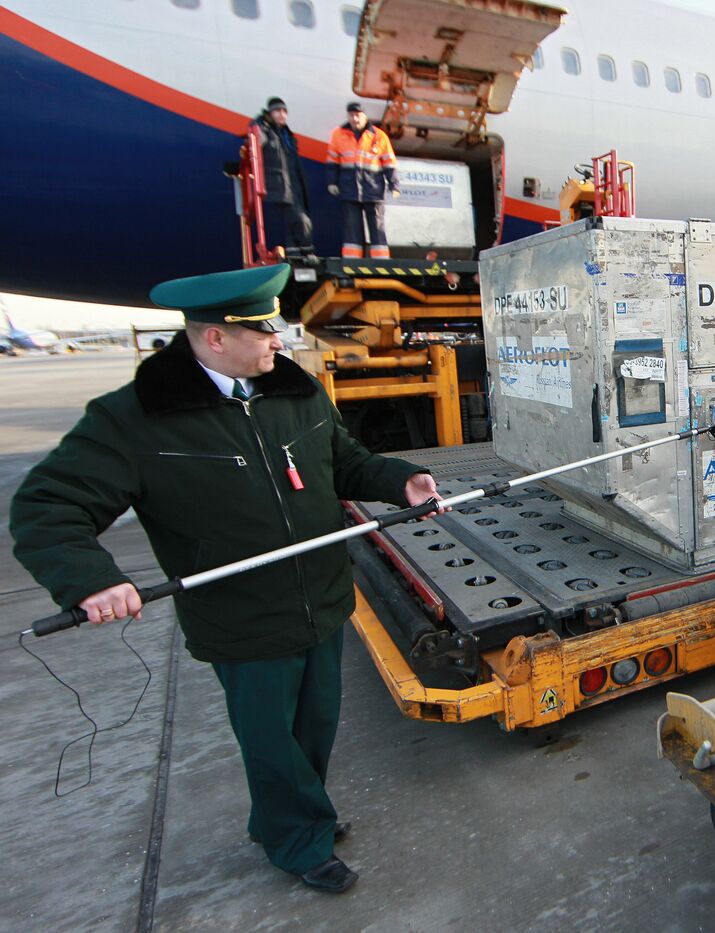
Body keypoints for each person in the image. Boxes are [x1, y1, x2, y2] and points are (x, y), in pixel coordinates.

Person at [10, 264, 443, 893]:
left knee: (313, 730)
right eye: (265, 331)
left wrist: (399, 481)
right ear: (216, 339)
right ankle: (298, 842)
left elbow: (342, 462)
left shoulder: (296, 392)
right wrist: (90, 579)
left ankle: (286, 819)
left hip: (322, 600)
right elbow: (46, 507)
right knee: (271, 742)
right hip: (240, 618)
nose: (280, 342)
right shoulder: (135, 419)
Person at [328, 102, 399, 259]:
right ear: (347, 116)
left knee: (377, 227)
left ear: (365, 116)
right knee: (351, 228)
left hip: (373, 190)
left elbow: (389, 163)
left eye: (358, 115)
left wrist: (394, 185)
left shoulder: (379, 136)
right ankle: (352, 261)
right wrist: (331, 182)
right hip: (349, 190)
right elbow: (332, 162)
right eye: (351, 115)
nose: (355, 118)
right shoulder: (338, 134)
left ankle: (381, 261)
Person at [252, 97, 314, 254]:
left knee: (293, 223)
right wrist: (260, 122)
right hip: (280, 185)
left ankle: (294, 254)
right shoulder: (266, 130)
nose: (281, 115)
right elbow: (257, 139)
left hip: (295, 184)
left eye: (284, 111)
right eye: (277, 111)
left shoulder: (287, 134)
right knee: (301, 220)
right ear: (270, 113)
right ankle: (308, 252)